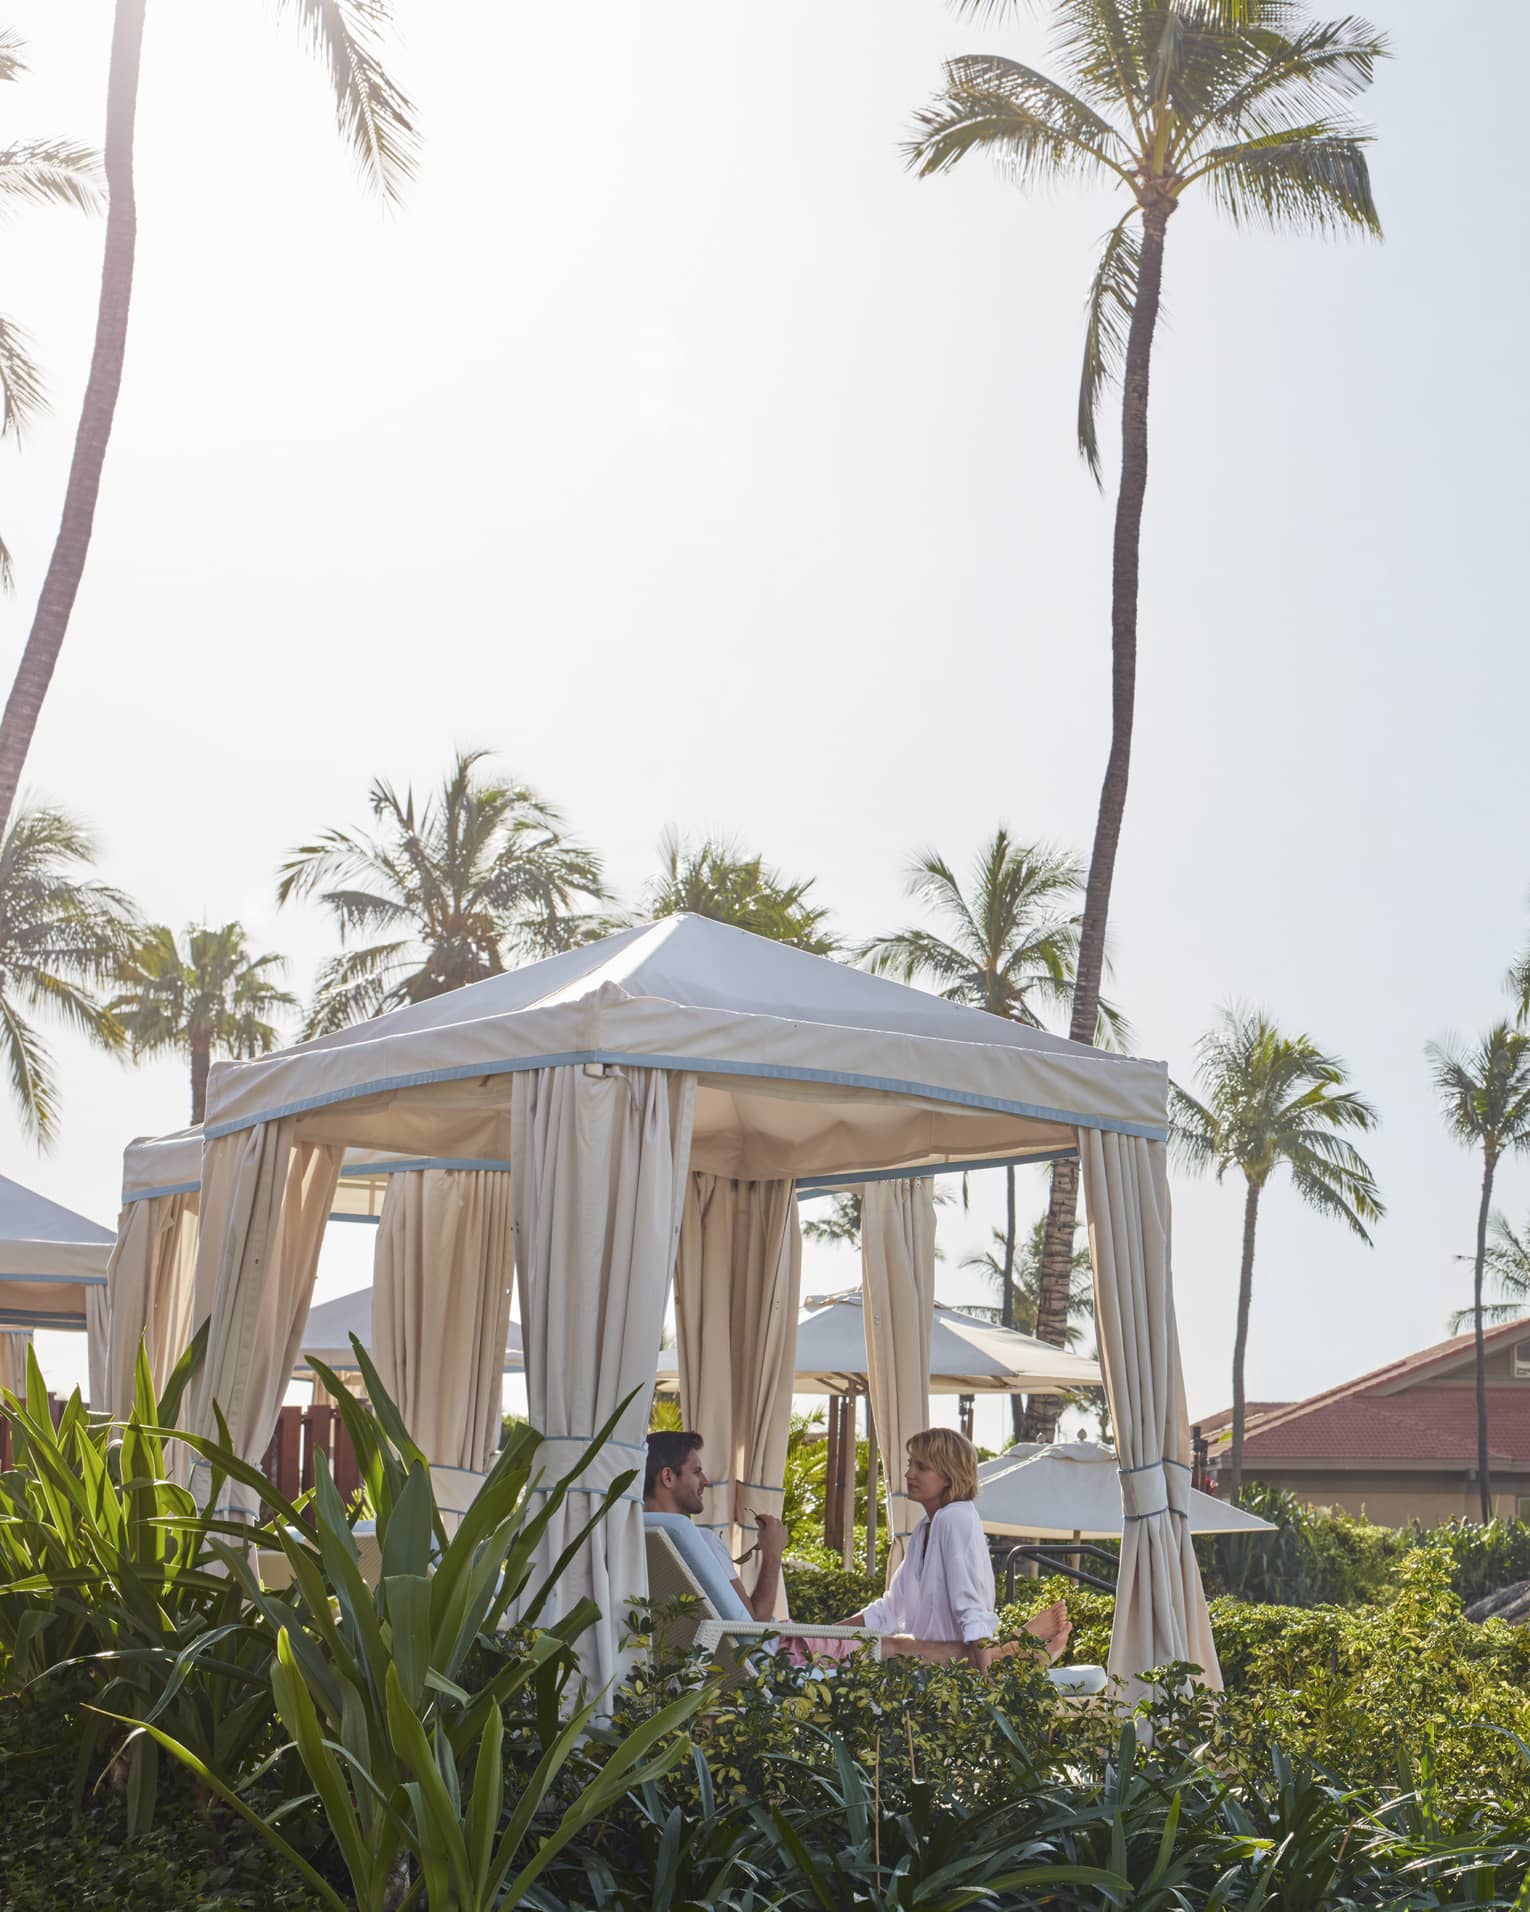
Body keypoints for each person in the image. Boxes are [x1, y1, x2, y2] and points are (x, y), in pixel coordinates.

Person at [841, 1426, 1071, 1673]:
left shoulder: (954, 1518)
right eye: (910, 1464)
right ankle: (1010, 1649)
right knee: (879, 1645)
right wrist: (822, 1634)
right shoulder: (924, 1528)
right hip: (930, 1651)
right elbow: (890, 1607)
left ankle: (1007, 1649)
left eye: (922, 1467)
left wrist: (985, 1681)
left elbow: (969, 1603)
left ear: (949, 1476)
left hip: (948, 1656)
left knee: (885, 1647)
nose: (909, 1474)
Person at [643, 1429, 787, 1620]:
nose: (706, 1481)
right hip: (769, 1647)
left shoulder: (633, 1534)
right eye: (696, 1472)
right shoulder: (700, 1542)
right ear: (668, 1477)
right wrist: (773, 1554)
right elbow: (753, 1625)